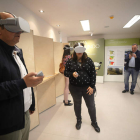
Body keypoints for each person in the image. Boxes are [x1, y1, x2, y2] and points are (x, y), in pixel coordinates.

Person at [0, 12, 44, 140]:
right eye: (12, 26)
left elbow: (23, 76)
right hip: (7, 121)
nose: (18, 31)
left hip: (23, 113)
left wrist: (31, 103)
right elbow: (22, 82)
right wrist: (23, 83)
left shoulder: (17, 51)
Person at [64, 43, 100, 132]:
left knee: (91, 105)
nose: (79, 52)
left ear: (83, 50)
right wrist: (71, 74)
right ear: (75, 51)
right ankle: (79, 120)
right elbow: (65, 72)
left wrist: (92, 87)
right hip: (74, 88)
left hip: (87, 88)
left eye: (81, 50)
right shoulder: (70, 61)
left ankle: (94, 122)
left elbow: (93, 74)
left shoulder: (89, 60)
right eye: (77, 50)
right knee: (77, 105)